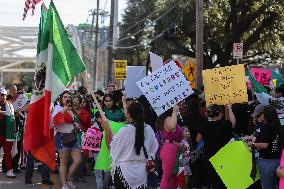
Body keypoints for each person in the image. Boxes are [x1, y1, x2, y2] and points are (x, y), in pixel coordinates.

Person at [102, 101, 158, 188]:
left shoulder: (125, 130)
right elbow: (153, 150)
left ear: (128, 114)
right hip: (142, 173)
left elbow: (111, 149)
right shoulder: (149, 129)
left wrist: (107, 130)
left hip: (124, 172)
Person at [196, 104, 235, 189]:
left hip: (210, 156)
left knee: (214, 179)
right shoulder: (225, 124)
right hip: (224, 155)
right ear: (220, 113)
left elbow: (198, 140)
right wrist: (229, 108)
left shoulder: (204, 126)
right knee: (225, 179)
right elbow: (233, 122)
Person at [247, 105, 281, 189]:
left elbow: (265, 145)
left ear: (264, 114)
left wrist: (253, 144)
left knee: (267, 186)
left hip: (266, 161)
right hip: (278, 160)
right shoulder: (278, 126)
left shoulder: (266, 127)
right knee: (276, 185)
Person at [53, 91, 81, 189]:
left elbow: (74, 122)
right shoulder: (58, 108)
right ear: (61, 99)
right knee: (63, 162)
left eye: (69, 97)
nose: (67, 98)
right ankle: (64, 184)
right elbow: (55, 122)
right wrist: (63, 111)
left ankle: (68, 179)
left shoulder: (72, 109)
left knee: (78, 160)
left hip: (73, 136)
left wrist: (76, 126)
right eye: (65, 97)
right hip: (62, 137)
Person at [156, 105, 183, 189]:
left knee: (174, 176)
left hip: (175, 149)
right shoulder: (168, 119)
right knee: (167, 176)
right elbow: (172, 126)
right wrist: (174, 111)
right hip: (169, 149)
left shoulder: (171, 119)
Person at [0, 88, 17, 178]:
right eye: (0, 94)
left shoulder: (10, 105)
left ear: (6, 96)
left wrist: (14, 131)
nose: (1, 96)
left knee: (7, 153)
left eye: (2, 95)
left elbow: (13, 118)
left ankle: (9, 170)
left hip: (7, 134)